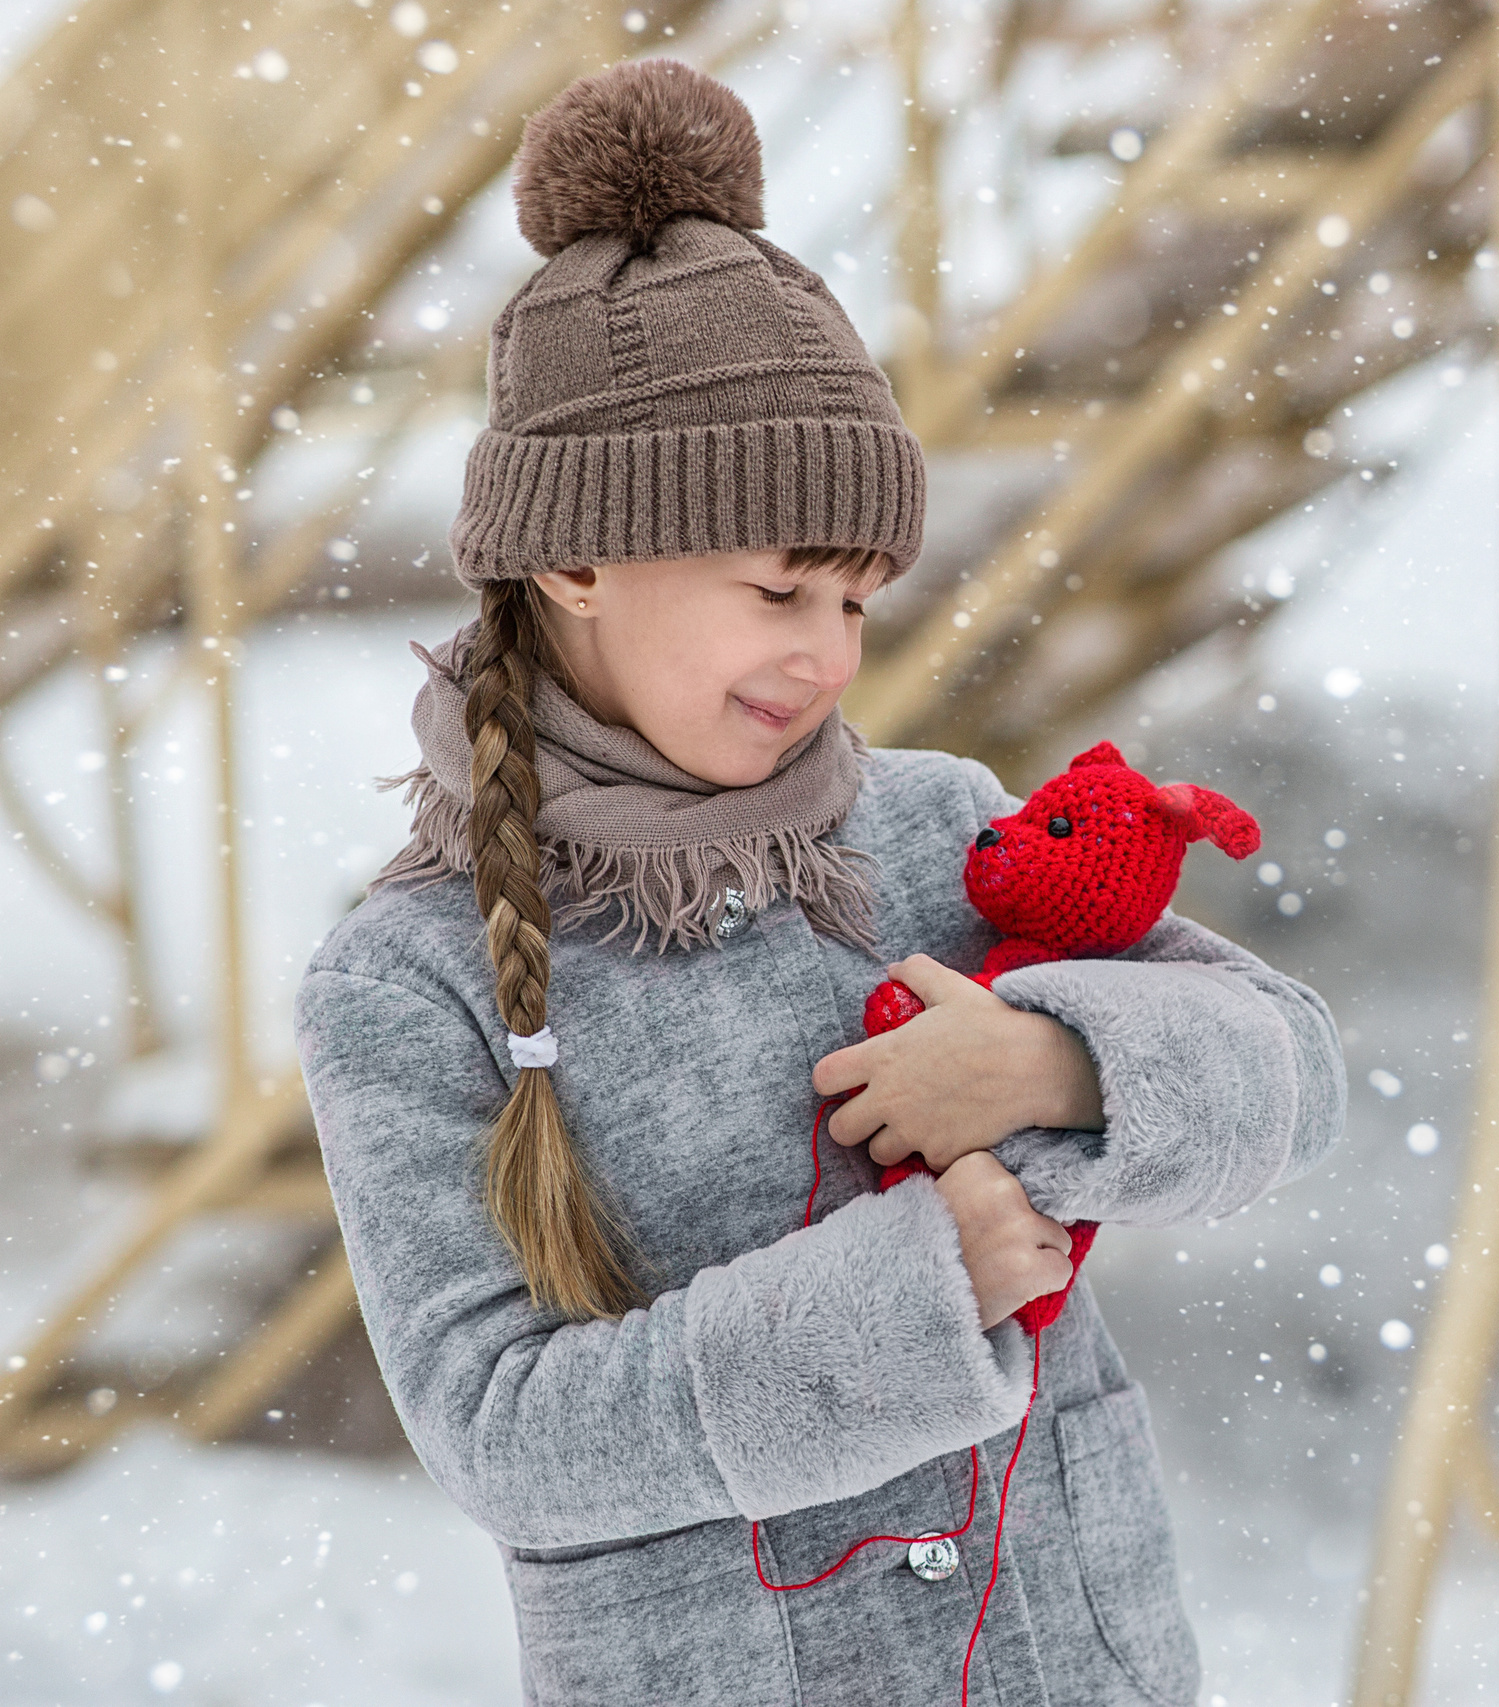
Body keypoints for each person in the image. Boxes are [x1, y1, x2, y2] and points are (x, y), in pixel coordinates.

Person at [292, 57, 1346, 1705]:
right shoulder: (408, 982)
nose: (826, 658)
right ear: (574, 558)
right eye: (781, 589)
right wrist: (916, 1296)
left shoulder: (940, 833)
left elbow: (1291, 1070)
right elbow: (506, 1435)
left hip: (1070, 1655)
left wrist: (1058, 1066)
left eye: (856, 606)